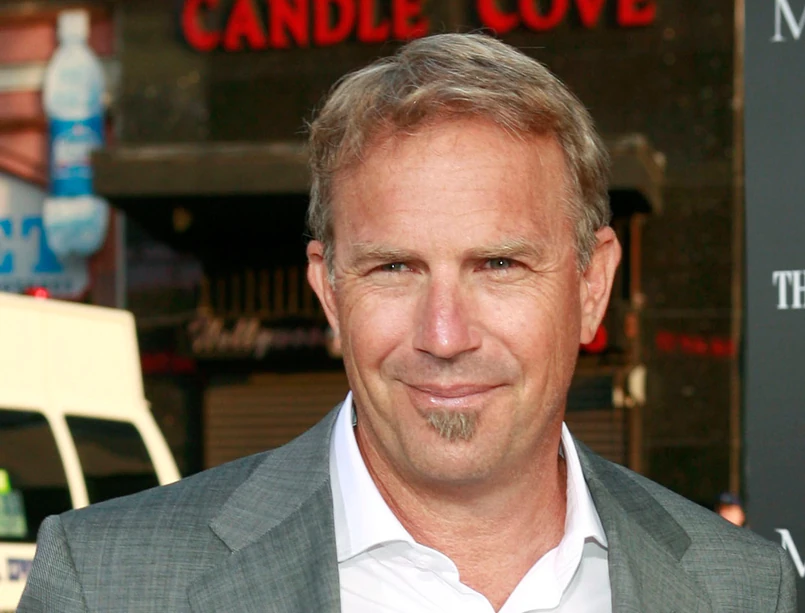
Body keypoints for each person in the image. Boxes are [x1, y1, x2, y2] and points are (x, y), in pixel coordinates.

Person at [19, 33, 796, 613]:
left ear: (591, 285)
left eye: (498, 264)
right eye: (394, 268)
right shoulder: (109, 583)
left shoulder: (741, 589)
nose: (445, 334)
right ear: (328, 291)